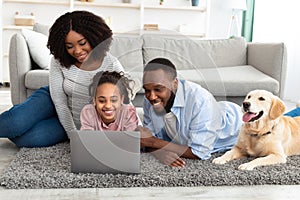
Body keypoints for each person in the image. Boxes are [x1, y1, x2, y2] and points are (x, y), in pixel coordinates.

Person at [139, 57, 300, 168]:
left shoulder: (199, 100)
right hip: (215, 112)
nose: (151, 96)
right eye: (147, 90)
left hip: (235, 121)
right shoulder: (150, 99)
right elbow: (147, 138)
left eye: (158, 89)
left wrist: (153, 144)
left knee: (283, 122)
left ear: (174, 84)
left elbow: (199, 152)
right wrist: (159, 152)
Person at [0, 10, 123, 147]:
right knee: (15, 123)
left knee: (28, 139)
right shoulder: (60, 61)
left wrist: (138, 133)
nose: (77, 51)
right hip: (52, 100)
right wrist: (74, 137)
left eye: (82, 43)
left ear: (94, 37)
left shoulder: (111, 64)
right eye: (69, 46)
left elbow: (124, 104)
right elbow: (60, 102)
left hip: (76, 119)